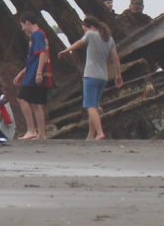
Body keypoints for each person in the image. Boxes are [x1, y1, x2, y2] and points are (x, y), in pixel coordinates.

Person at [58, 16, 122, 141]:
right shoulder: (110, 39)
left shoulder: (91, 35)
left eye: (84, 29)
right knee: (95, 105)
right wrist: (118, 75)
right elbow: (115, 58)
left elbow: (79, 43)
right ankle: (90, 135)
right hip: (103, 77)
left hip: (91, 75)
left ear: (92, 27)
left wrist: (67, 50)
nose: (84, 32)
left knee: (90, 106)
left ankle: (99, 133)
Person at [13, 12, 52, 140]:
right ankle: (41, 134)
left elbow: (42, 54)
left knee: (22, 98)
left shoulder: (37, 34)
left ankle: (31, 130)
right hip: (32, 71)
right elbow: (34, 58)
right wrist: (21, 73)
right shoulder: (38, 35)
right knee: (36, 103)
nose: (23, 29)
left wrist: (39, 72)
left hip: (34, 73)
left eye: (22, 26)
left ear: (27, 23)